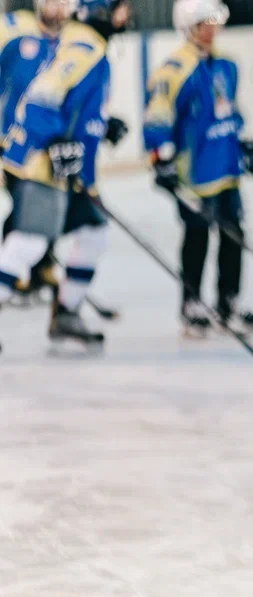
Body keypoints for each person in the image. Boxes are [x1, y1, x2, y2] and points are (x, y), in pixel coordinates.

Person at [0, 0, 131, 353]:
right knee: (29, 242)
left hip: (67, 170)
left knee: (93, 232)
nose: (125, 15)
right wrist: (56, 140)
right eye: (119, 7)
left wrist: (101, 126)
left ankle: (67, 314)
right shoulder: (83, 45)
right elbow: (41, 99)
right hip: (41, 164)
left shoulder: (88, 43)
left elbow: (72, 104)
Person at [144, 0, 253, 336]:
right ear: (187, 27)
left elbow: (228, 111)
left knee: (234, 234)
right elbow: (157, 116)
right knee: (197, 235)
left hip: (225, 167)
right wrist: (160, 158)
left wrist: (244, 144)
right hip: (193, 172)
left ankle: (229, 303)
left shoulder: (227, 65)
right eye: (203, 24)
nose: (211, 30)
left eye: (214, 23)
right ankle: (192, 303)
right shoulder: (174, 70)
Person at [0, 0, 81, 306]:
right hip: (12, 142)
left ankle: (39, 266)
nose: (56, 8)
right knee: (27, 205)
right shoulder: (14, 33)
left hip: (49, 147)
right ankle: (21, 270)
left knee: (49, 206)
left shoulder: (74, 43)